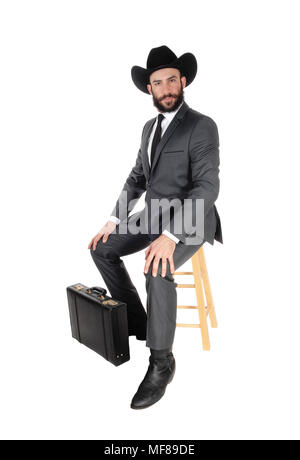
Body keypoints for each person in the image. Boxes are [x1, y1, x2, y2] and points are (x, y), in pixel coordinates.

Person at [88, 45, 223, 410]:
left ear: (183, 82)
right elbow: (137, 178)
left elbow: (207, 188)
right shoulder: (149, 128)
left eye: (171, 81)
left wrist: (170, 236)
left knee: (156, 264)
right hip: (154, 212)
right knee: (101, 247)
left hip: (191, 219)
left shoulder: (201, 125)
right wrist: (114, 218)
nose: (165, 88)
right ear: (149, 88)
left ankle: (161, 362)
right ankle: (141, 321)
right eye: (157, 82)